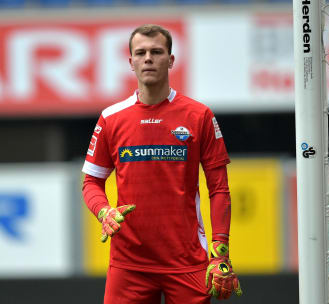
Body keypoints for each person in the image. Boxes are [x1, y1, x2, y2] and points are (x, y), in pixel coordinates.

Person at [81, 24, 242, 304]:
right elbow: (91, 183)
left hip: (187, 261)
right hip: (128, 264)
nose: (148, 58)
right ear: (130, 62)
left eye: (156, 51)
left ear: (171, 60)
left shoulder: (199, 115)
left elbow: (219, 189)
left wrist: (221, 251)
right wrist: (103, 211)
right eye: (140, 53)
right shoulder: (111, 118)